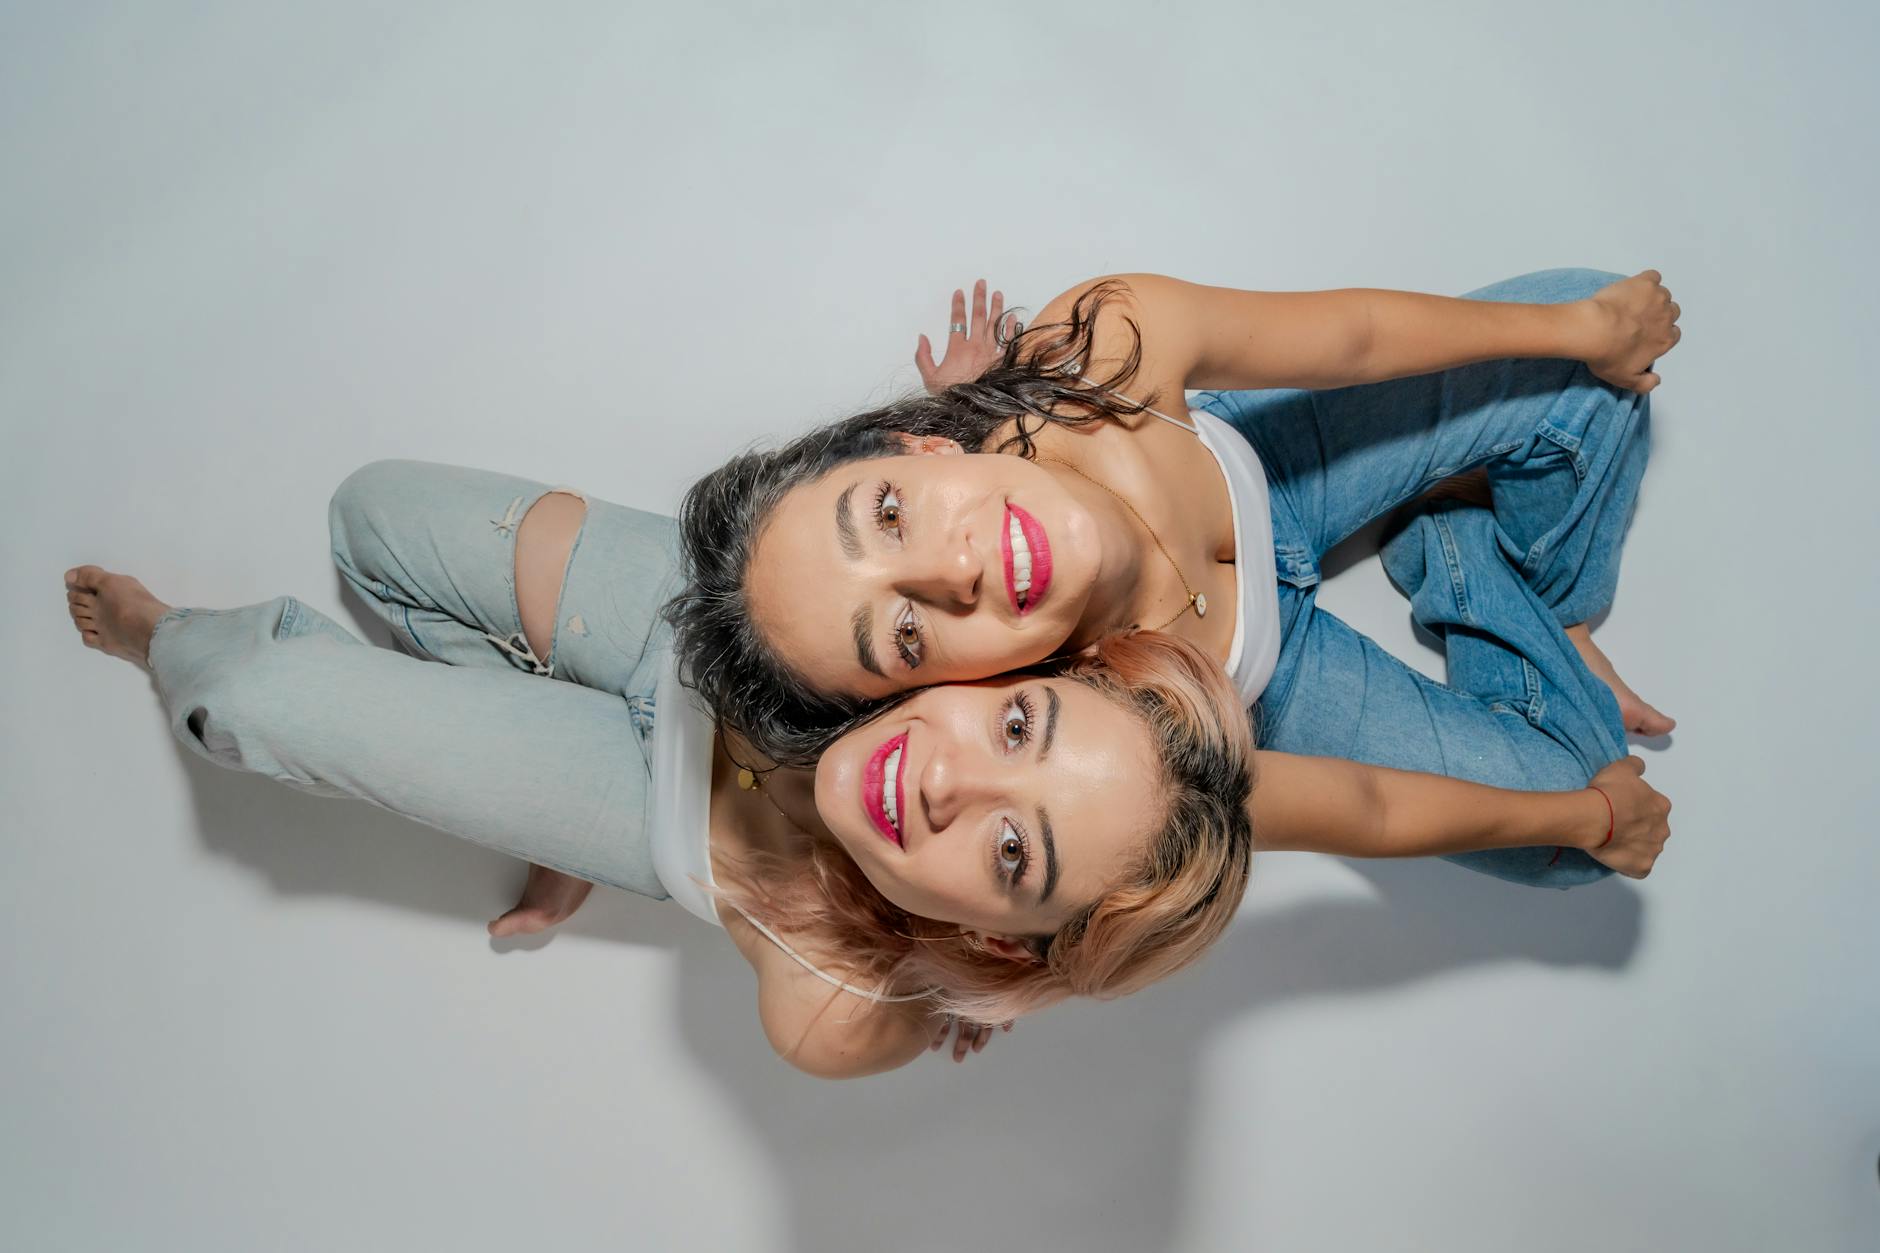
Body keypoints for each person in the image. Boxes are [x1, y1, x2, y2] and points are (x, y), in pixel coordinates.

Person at [667, 269, 1680, 888]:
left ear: (921, 449)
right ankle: (1460, 552)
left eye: (887, 512)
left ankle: (1541, 598)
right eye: (901, 635)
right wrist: (1584, 818)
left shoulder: (1095, 351)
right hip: (1278, 679)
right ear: (936, 691)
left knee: (1587, 360)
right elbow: (1364, 807)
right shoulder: (1106, 741)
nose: (954, 564)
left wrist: (1585, 326)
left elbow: (1359, 335)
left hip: (1275, 471)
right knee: (1575, 823)